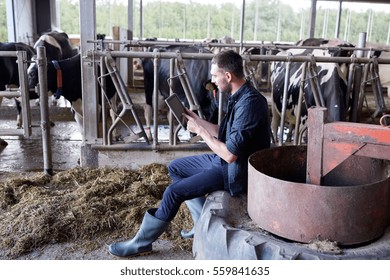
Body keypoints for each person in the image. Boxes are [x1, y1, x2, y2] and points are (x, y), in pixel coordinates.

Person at [108, 49, 271, 257]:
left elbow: (231, 154)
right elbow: (224, 132)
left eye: (214, 75)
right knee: (176, 168)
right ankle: (200, 224)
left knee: (173, 192)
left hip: (235, 171)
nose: (211, 79)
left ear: (227, 76)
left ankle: (142, 243)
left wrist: (200, 131)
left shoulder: (250, 103)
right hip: (224, 161)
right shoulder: (239, 95)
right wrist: (197, 119)